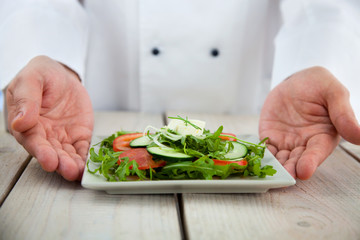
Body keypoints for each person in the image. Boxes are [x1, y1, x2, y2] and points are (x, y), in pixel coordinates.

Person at [1, 0, 360, 181]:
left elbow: (327, 6)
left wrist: (316, 59)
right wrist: (45, 53)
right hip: (99, 103)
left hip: (250, 104)